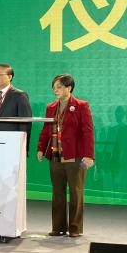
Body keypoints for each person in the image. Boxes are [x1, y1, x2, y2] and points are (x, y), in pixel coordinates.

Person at [36, 74, 94, 238]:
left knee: (76, 193)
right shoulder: (51, 107)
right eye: (54, 87)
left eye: (59, 87)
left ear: (69, 88)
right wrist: (41, 148)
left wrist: (89, 156)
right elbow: (46, 129)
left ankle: (75, 228)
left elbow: (88, 132)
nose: (55, 90)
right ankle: (58, 227)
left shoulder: (81, 106)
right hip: (55, 155)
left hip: (75, 157)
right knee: (57, 193)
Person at [0, 63, 32, 152]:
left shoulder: (20, 95)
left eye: (0, 75)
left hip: (11, 144)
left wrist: (23, 147)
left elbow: (25, 124)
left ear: (10, 77)